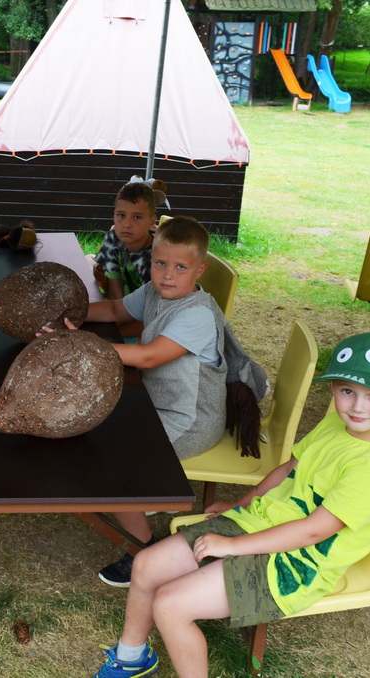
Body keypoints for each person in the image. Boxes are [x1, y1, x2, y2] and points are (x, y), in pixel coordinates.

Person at [90, 332, 370, 678]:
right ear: (333, 388)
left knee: (170, 605)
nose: (357, 406)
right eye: (347, 391)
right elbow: (289, 468)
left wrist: (231, 546)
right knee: (146, 565)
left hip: (295, 564)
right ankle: (132, 658)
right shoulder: (337, 424)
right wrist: (241, 504)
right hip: (259, 523)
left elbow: (313, 532)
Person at [54, 216, 228, 586]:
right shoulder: (155, 291)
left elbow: (148, 357)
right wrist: (70, 316)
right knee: (96, 425)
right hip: (159, 403)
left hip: (191, 421)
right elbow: (115, 311)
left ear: (200, 270)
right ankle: (144, 498)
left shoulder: (197, 314)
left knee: (112, 460)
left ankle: (142, 549)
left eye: (180, 267)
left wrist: (80, 343)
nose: (168, 275)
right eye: (160, 263)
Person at [92, 178, 167, 301]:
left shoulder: (159, 258)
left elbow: (152, 309)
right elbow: (115, 297)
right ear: (114, 216)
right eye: (121, 215)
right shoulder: (113, 239)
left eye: (137, 217)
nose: (127, 224)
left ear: (151, 222)